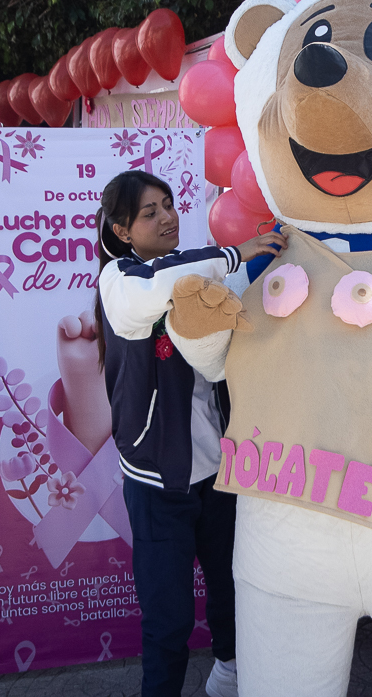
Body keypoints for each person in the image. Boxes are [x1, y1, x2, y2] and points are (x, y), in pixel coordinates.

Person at [95, 170, 286, 697]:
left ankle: (229, 675)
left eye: (169, 204)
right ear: (122, 232)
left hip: (221, 474)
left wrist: (275, 251)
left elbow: (249, 308)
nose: (167, 217)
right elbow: (163, 287)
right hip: (159, 482)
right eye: (149, 212)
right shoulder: (120, 281)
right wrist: (234, 253)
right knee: (168, 619)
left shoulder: (203, 270)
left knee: (232, 590)